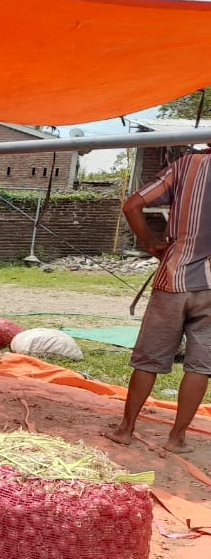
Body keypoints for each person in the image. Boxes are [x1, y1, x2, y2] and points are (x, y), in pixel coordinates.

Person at [106, 146, 211, 453]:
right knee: (200, 367)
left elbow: (132, 205)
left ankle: (125, 429)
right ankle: (176, 438)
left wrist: (151, 242)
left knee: (149, 360)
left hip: (173, 280)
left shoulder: (187, 165)